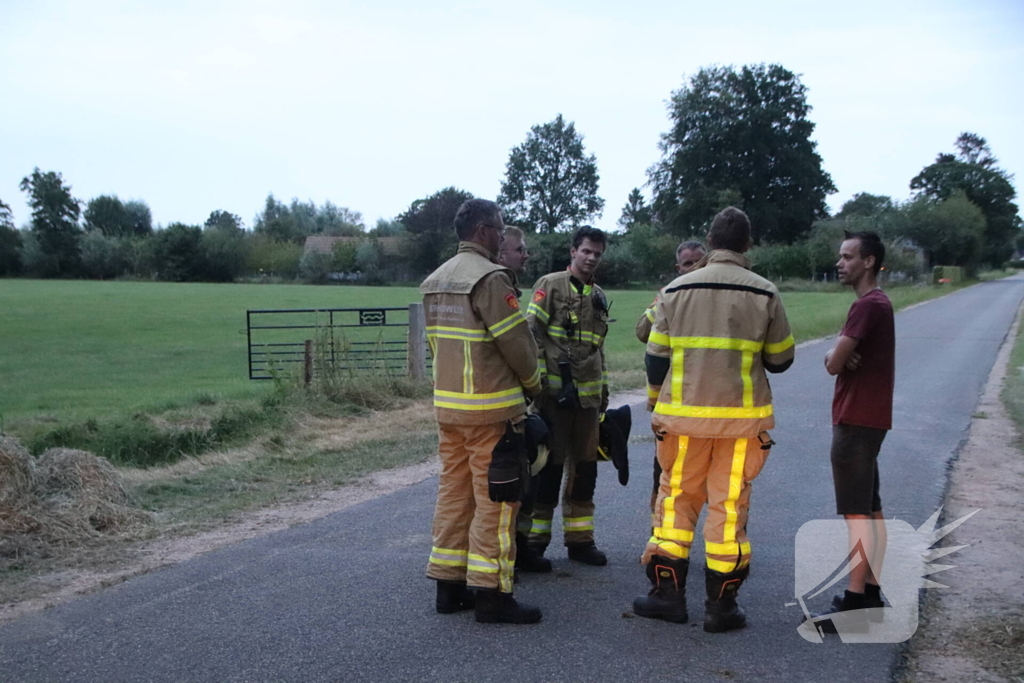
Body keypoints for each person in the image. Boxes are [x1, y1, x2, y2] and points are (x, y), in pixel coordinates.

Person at [634, 207, 794, 633]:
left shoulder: (675, 290)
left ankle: (668, 597)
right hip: (741, 426)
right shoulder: (765, 293)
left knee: (676, 504)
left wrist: (656, 406)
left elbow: (655, 355)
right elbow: (781, 359)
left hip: (682, 424)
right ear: (747, 244)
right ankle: (721, 608)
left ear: (710, 240)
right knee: (729, 508)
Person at [420, 199, 544, 624]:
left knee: (454, 496)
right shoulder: (491, 279)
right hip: (491, 411)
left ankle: (449, 587)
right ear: (485, 231)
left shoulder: (434, 281)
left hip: (448, 408)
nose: (501, 235)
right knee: (497, 501)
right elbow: (518, 346)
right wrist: (534, 386)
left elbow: (438, 347)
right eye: (500, 229)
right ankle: (493, 595)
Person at [809, 231, 895, 631]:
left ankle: (856, 601)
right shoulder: (878, 304)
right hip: (871, 419)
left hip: (855, 420)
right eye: (840, 256)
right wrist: (839, 354)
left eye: (848, 257)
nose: (840, 263)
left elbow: (831, 363)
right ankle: (873, 591)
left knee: (856, 513)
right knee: (871, 508)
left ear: (870, 262)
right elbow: (840, 358)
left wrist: (835, 353)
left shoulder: (867, 306)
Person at [523, 226, 611, 568]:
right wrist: (541, 383)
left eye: (597, 253)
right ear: (573, 251)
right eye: (586, 251)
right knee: (549, 470)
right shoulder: (550, 285)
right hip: (554, 398)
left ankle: (580, 541)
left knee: (585, 471)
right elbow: (531, 334)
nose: (591, 258)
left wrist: (603, 391)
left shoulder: (598, 294)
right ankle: (534, 542)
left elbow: (596, 348)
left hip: (587, 403)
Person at [636, 240, 707, 516]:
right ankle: (660, 527)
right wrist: (662, 302)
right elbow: (642, 332)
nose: (693, 268)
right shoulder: (670, 295)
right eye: (687, 263)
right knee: (665, 467)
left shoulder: (715, 294)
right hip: (673, 397)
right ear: (678, 268)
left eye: (699, 261)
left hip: (706, 396)